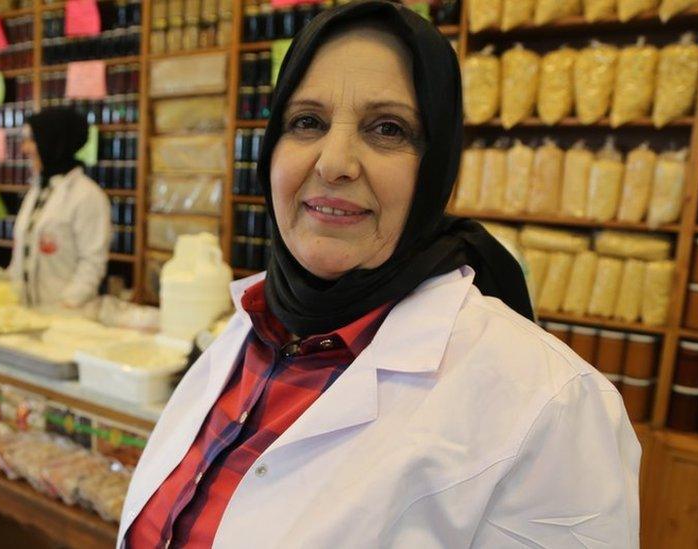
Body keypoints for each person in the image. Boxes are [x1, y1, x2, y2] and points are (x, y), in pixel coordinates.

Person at [120, 2, 640, 547]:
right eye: (307, 122)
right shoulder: (253, 328)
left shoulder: (553, 406)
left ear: (434, 165)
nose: (333, 162)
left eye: (387, 129)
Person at [8, 107, 111, 308]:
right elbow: (22, 254)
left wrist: (66, 305)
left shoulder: (87, 196)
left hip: (67, 319)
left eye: (31, 139)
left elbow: (92, 264)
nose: (24, 149)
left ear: (52, 141)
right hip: (28, 313)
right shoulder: (37, 190)